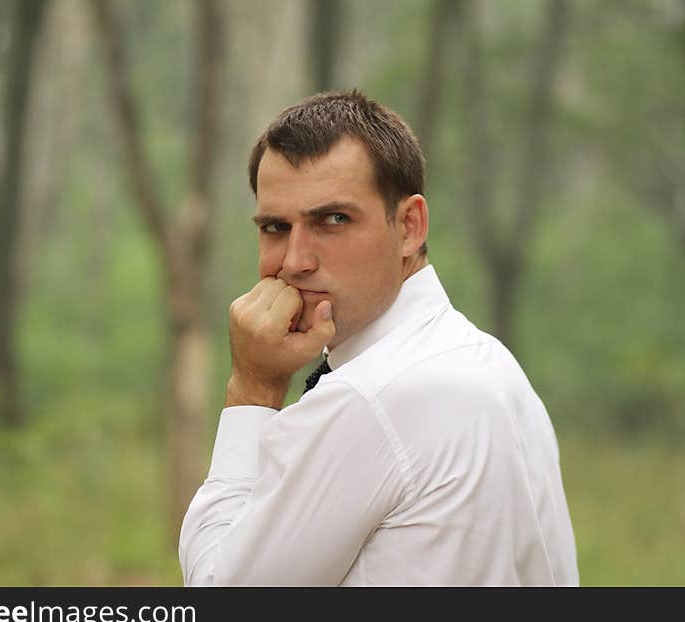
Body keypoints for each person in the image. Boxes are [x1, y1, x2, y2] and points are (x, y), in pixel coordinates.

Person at [178, 90, 579, 586]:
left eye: (333, 220)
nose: (294, 260)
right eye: (275, 227)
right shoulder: (490, 365)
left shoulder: (368, 398)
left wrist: (253, 387)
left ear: (409, 227)